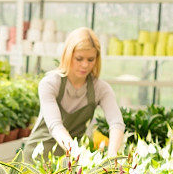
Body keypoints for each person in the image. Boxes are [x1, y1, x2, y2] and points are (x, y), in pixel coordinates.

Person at [24, 27, 125, 160]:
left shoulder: (100, 89)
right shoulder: (50, 83)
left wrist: (112, 156)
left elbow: (117, 123)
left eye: (90, 59)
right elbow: (55, 126)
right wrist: (79, 155)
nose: (85, 65)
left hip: (68, 161)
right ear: (68, 55)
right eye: (79, 58)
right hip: (37, 158)